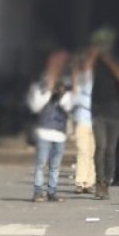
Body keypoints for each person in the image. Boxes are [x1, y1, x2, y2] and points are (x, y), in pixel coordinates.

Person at [86, 28, 119, 200]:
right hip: (98, 111)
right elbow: (85, 70)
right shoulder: (94, 62)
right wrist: (93, 54)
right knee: (101, 148)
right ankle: (99, 182)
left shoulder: (116, 61)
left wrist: (109, 61)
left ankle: (107, 182)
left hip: (114, 112)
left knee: (111, 151)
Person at [27, 54, 75, 202]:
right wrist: (48, 92)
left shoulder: (66, 91)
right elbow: (36, 107)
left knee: (55, 166)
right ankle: (37, 192)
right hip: (44, 132)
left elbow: (69, 106)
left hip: (59, 133)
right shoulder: (39, 88)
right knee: (41, 164)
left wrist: (62, 94)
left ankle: (52, 192)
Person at [71, 54, 96, 194]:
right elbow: (74, 98)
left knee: (92, 152)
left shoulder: (93, 81)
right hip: (82, 119)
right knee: (82, 150)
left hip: (95, 120)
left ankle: (89, 182)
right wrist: (75, 75)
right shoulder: (79, 81)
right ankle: (80, 182)